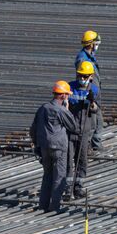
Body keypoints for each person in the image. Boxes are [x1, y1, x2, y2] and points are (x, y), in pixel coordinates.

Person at [31, 81, 78, 213]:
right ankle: (54, 207)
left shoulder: (43, 108)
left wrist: (37, 145)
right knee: (59, 177)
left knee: (47, 176)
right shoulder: (61, 110)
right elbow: (73, 127)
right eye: (67, 95)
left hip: (44, 147)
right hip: (59, 147)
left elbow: (33, 129)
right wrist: (67, 109)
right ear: (63, 96)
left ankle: (43, 205)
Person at [67, 60, 102, 198]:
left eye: (85, 76)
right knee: (69, 161)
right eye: (80, 76)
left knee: (82, 161)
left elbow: (96, 110)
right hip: (70, 130)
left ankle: (78, 187)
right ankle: (67, 189)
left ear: (91, 76)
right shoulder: (70, 87)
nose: (82, 79)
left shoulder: (94, 90)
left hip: (85, 130)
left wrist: (92, 103)